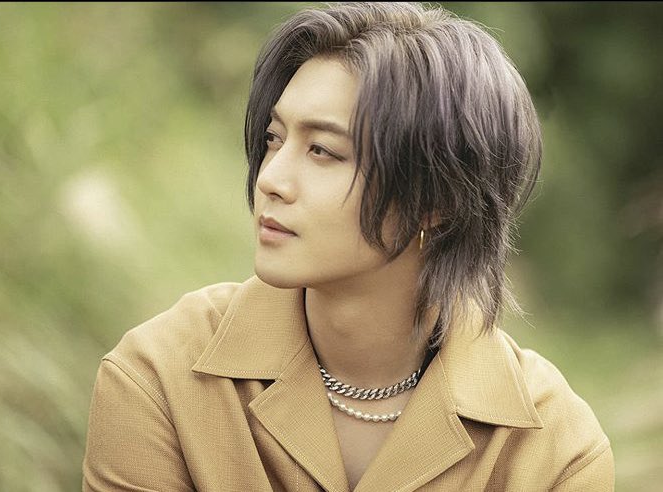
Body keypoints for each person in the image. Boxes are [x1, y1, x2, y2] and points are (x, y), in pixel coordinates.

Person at [82, 3, 614, 491]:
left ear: (436, 200)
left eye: (322, 150)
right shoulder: (161, 376)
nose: (271, 178)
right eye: (273, 138)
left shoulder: (554, 450)